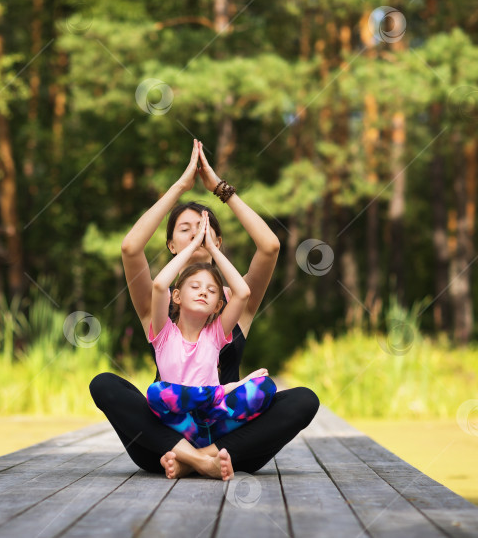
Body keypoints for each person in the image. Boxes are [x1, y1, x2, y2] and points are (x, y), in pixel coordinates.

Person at [90, 138, 319, 480]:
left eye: (205, 228)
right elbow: (130, 247)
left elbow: (270, 246)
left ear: (218, 242)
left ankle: (200, 459)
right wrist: (181, 186)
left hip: (230, 441)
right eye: (186, 229)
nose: (197, 233)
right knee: (105, 384)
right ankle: (192, 459)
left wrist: (220, 190)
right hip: (162, 442)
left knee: (303, 400)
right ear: (171, 245)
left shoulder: (235, 300)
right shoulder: (159, 303)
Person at [144, 211, 277, 458]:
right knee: (155, 392)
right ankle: (204, 449)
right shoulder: (164, 334)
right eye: (194, 287)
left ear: (218, 305)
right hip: (179, 424)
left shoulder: (216, 335)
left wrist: (213, 249)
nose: (203, 292)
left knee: (265, 387)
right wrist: (194, 245)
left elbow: (243, 293)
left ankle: (202, 453)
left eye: (211, 290)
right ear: (177, 296)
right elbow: (160, 284)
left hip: (213, 424)